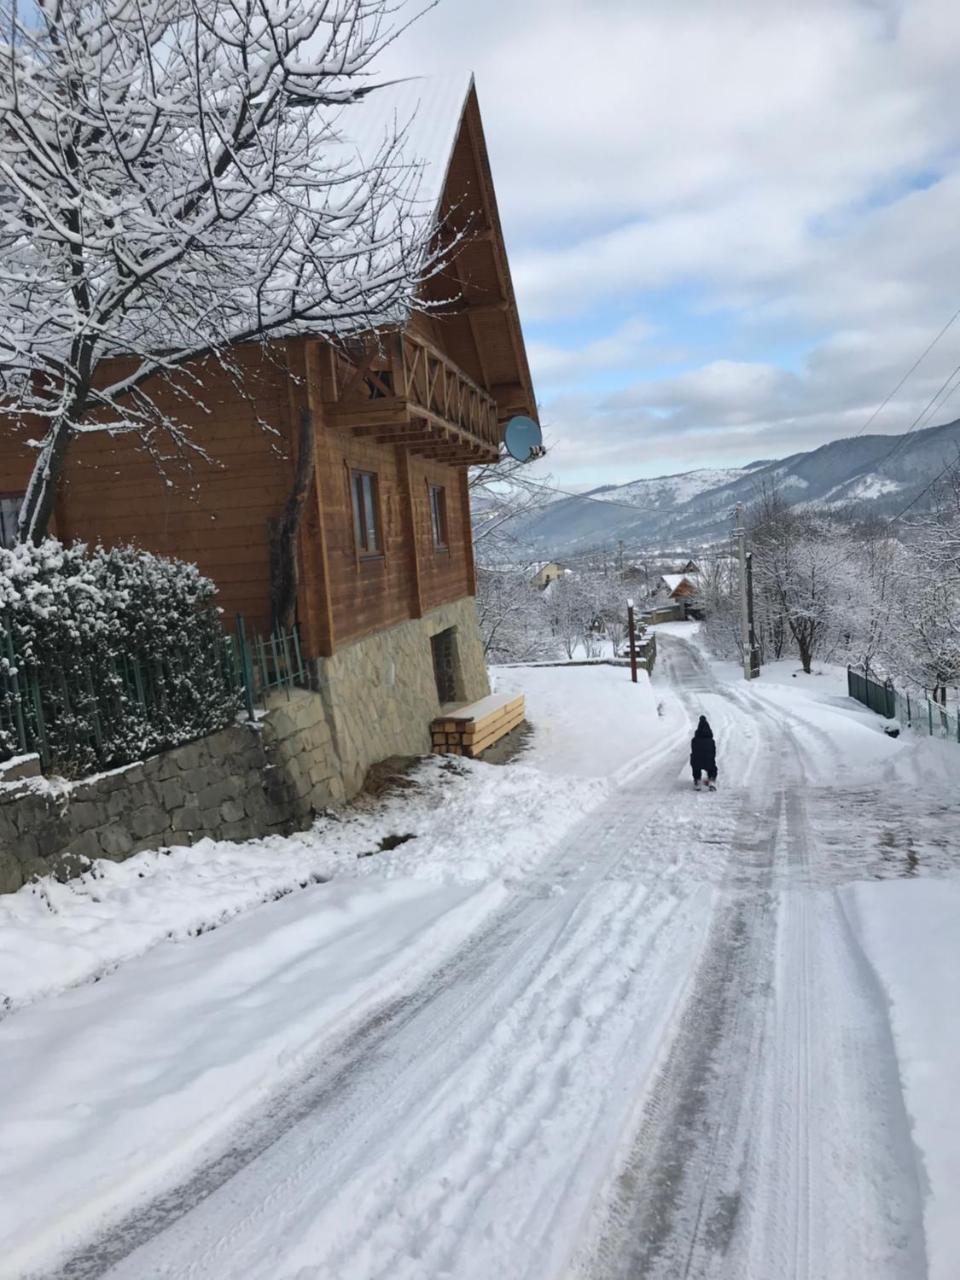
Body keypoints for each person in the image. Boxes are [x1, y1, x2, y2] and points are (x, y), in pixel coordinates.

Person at [690, 715, 717, 790]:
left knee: (695, 764)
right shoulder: (711, 741)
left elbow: (693, 750)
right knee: (713, 768)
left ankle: (697, 781)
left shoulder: (694, 740)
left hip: (696, 762)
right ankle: (711, 780)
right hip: (708, 761)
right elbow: (714, 752)